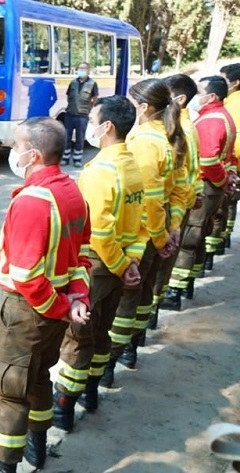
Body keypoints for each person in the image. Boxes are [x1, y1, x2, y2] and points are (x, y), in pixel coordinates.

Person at [0, 117, 90, 473]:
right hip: (54, 305)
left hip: (29, 310)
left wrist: (61, 307)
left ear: (34, 153)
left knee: (8, 387)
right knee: (38, 376)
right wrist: (74, 299)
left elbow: (26, 275)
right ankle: (37, 444)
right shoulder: (71, 191)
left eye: (16, 146)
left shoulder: (33, 201)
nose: (14, 153)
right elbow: (80, 256)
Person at [52, 96, 146, 431]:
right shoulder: (132, 166)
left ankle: (63, 404)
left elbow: (99, 232)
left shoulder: (100, 172)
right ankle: (90, 393)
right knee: (102, 332)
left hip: (97, 266)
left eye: (93, 120)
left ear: (107, 126)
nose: (89, 126)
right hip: (121, 264)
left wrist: (119, 265)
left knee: (79, 338)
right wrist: (130, 263)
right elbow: (140, 221)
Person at [108, 79, 185, 373]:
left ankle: (112, 360)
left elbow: (148, 200)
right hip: (157, 225)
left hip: (141, 230)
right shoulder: (167, 136)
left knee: (127, 298)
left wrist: (157, 237)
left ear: (143, 107)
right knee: (142, 295)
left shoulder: (144, 143)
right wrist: (169, 228)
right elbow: (177, 188)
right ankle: (130, 348)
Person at [160, 74, 203, 311]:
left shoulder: (180, 130)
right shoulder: (184, 126)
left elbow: (182, 177)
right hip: (180, 205)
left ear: (180, 98)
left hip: (173, 207)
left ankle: (131, 343)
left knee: (157, 276)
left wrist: (173, 222)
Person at [189, 76, 237, 274]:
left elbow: (208, 159)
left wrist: (221, 180)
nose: (196, 97)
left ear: (211, 96)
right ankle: (191, 276)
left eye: (199, 92)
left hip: (208, 183)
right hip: (213, 183)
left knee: (192, 233)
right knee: (201, 230)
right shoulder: (218, 115)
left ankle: (177, 290)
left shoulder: (211, 120)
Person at [219, 63, 240, 250]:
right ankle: (223, 238)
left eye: (225, 80)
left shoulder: (234, 106)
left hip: (233, 162)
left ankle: (219, 242)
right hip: (234, 163)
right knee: (231, 204)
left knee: (226, 204)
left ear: (236, 83)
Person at [62, 62, 99, 167]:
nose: (81, 70)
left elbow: (95, 98)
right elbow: (68, 96)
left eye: (84, 68)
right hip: (70, 114)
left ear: (88, 70)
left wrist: (89, 108)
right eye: (80, 68)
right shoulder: (73, 83)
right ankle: (65, 158)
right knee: (67, 137)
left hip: (82, 116)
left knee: (80, 138)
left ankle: (77, 159)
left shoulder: (92, 83)